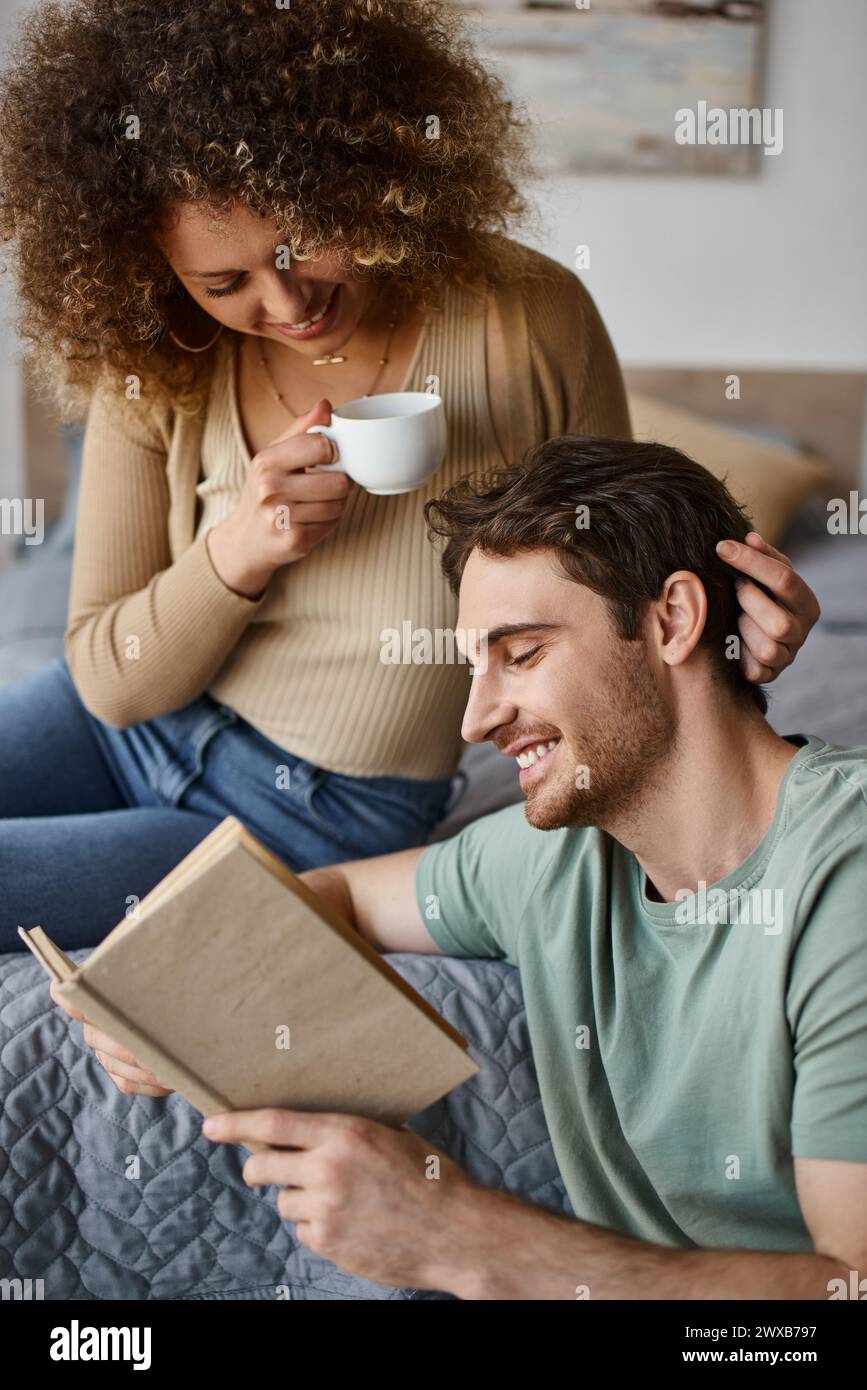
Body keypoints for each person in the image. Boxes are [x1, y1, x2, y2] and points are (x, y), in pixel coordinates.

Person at [0, 0, 818, 952]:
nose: (287, 302)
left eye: (298, 243)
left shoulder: (526, 319)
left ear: (360, 171)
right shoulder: (158, 358)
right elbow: (111, 681)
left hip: (319, 813)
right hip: (119, 729)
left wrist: (732, 638)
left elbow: (631, 588)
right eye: (225, 286)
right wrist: (240, 551)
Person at [57, 436, 867, 1300]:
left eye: (520, 655)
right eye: (473, 666)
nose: (476, 720)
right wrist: (174, 986)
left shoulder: (841, 877)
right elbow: (337, 895)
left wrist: (462, 1240)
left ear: (672, 620)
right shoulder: (551, 858)